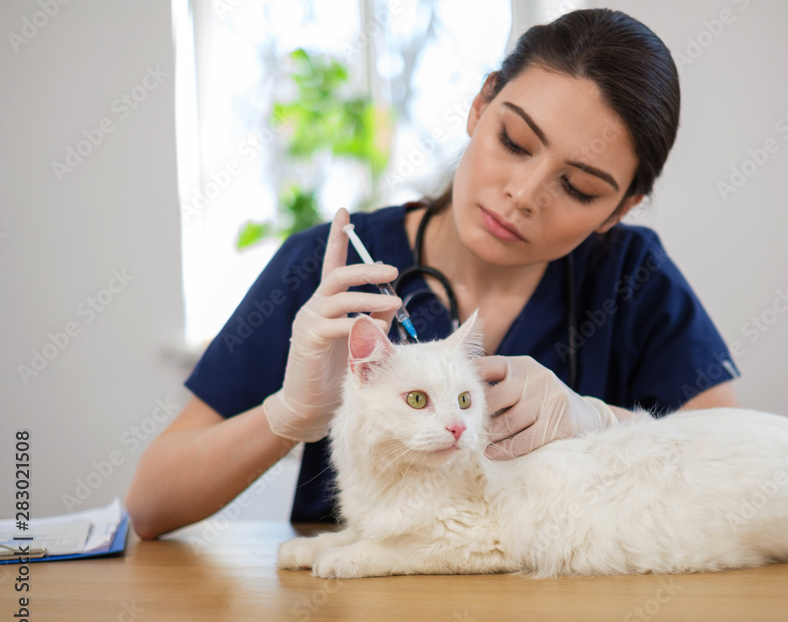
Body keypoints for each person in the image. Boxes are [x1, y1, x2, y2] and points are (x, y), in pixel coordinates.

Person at [126, 8, 741, 540]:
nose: (523, 194)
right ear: (480, 105)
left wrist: (599, 422)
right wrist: (291, 414)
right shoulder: (335, 267)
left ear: (621, 208)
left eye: (577, 188)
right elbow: (150, 506)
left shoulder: (632, 278)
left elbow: (739, 469)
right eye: (516, 142)